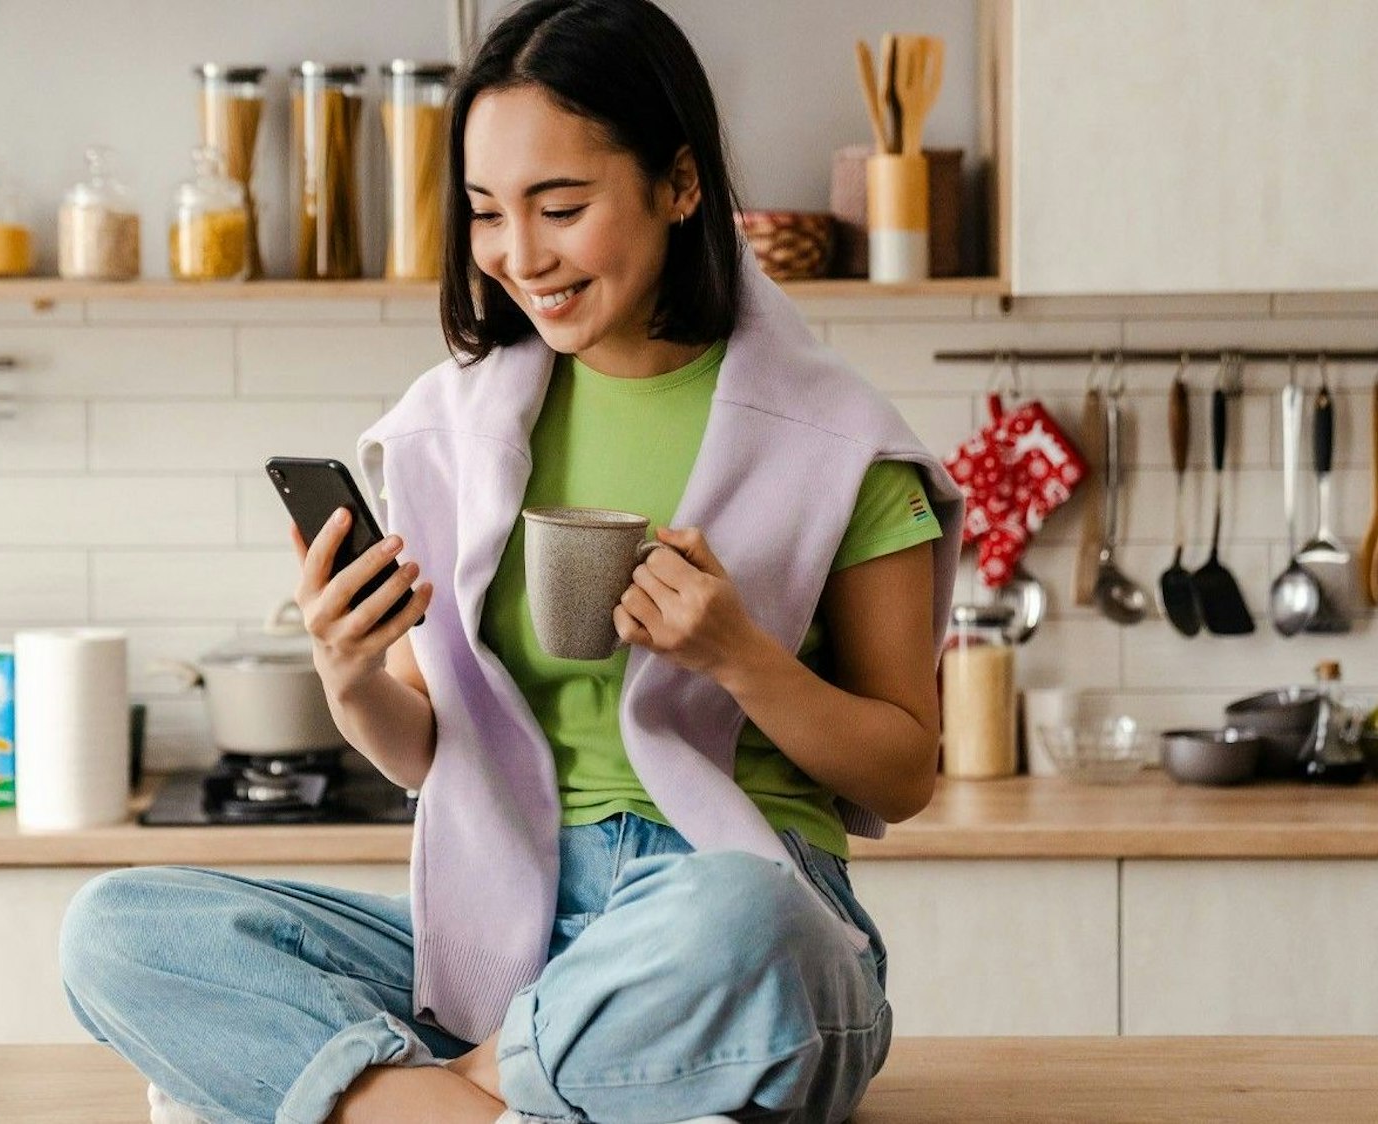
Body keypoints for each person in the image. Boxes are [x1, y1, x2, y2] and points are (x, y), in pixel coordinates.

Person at [60, 1, 964, 1121]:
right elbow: (421, 747)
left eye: (561, 206)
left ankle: (402, 1097)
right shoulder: (454, 430)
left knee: (753, 914)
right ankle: (518, 1094)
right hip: (502, 925)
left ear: (680, 183)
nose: (519, 256)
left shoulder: (838, 443)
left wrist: (739, 656)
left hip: (717, 938)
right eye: (487, 213)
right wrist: (348, 672)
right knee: (118, 928)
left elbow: (904, 771)